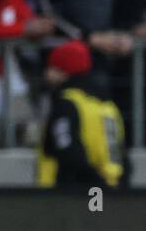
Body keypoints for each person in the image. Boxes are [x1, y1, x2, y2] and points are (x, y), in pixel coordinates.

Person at [36, 39, 128, 190]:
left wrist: (97, 187)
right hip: (111, 193)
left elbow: (68, 152)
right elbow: (121, 155)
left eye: (52, 67)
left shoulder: (66, 104)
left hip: (72, 195)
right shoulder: (108, 106)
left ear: (64, 72)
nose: (47, 73)